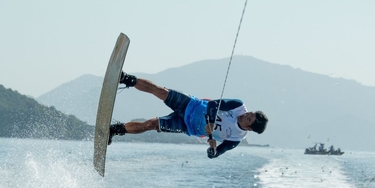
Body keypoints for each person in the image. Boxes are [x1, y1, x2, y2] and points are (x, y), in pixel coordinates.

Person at [108, 72, 268, 158]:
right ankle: (125, 78)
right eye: (250, 113)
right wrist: (212, 121)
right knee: (160, 91)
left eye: (248, 118)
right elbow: (213, 104)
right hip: (191, 104)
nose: (245, 115)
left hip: (186, 126)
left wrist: (213, 149)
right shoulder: (238, 106)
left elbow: (214, 155)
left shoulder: (235, 138)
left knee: (150, 124)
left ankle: (115, 130)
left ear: (249, 128)